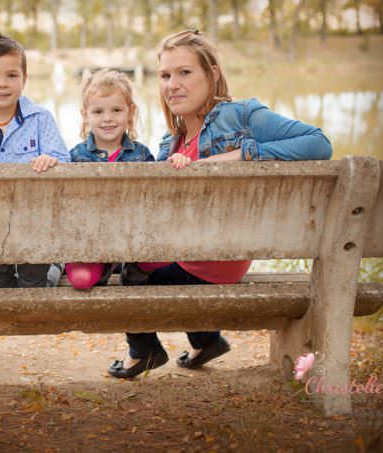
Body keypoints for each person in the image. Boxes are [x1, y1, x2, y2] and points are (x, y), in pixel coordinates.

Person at [108, 29, 333, 379]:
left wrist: (241, 154)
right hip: (200, 257)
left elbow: (318, 143)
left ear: (212, 74)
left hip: (214, 261)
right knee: (145, 261)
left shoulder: (241, 116)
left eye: (185, 73)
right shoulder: (171, 142)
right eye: (165, 75)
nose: (172, 85)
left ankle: (144, 351)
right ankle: (207, 342)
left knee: (131, 273)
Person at [0, 32, 70, 292]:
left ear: (24, 79)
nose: (2, 84)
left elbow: (63, 159)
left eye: (11, 75)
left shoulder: (40, 119)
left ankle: (52, 269)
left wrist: (51, 159)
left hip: (35, 224)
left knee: (33, 285)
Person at [65, 69, 154, 290]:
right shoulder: (75, 156)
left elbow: (154, 200)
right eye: (98, 111)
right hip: (90, 242)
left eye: (116, 110)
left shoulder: (141, 155)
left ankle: (132, 266)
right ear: (85, 114)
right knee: (81, 280)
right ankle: (106, 265)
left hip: (131, 237)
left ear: (130, 112)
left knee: (158, 255)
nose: (107, 118)